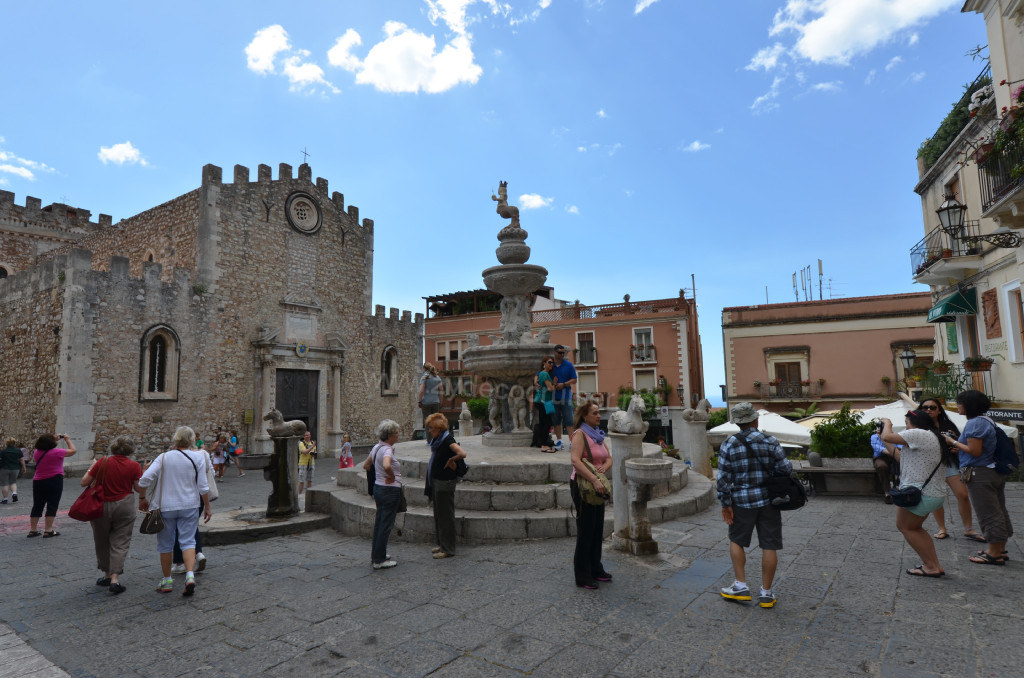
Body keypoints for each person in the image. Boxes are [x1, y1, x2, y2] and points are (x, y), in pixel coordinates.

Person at [717, 402, 790, 608]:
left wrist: (726, 504)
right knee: (769, 544)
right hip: (769, 500)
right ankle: (766, 593)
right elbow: (786, 469)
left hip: (741, 500)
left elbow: (723, 479)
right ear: (755, 420)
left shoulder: (729, 444)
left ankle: (741, 586)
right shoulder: (770, 440)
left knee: (737, 540)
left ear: (738, 423)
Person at [137, 426, 212, 596]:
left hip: (165, 507)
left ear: (175, 439)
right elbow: (203, 486)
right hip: (190, 505)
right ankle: (190, 576)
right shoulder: (198, 458)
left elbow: (144, 480)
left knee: (165, 544)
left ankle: (166, 581)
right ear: (192, 440)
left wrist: (142, 498)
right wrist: (207, 506)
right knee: (188, 541)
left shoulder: (163, 458)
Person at [944, 390, 1014, 565]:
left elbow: (975, 451)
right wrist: (960, 446)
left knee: (988, 513)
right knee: (999, 510)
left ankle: (994, 553)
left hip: (980, 473)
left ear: (968, 405)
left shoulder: (975, 423)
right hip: (991, 470)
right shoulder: (986, 421)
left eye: (959, 402)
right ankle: (1000, 549)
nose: (957, 406)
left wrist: (952, 442)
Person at [880, 411, 949, 578]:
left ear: (915, 422)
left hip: (920, 493)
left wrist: (886, 422)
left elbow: (888, 436)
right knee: (915, 528)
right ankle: (933, 565)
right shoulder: (931, 436)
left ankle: (932, 566)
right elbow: (900, 457)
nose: (906, 427)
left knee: (906, 527)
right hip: (931, 492)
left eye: (907, 423)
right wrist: (883, 437)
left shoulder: (919, 433)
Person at [82, 435, 142, 594]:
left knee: (101, 539)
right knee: (121, 541)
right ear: (130, 449)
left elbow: (84, 482)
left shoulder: (103, 462)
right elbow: (138, 488)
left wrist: (91, 467)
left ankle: (107, 575)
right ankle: (115, 578)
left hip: (101, 505)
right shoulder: (134, 465)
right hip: (124, 505)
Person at [919, 397, 980, 542]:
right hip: (930, 466)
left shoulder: (948, 425)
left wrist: (956, 448)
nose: (929, 410)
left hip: (949, 463)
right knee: (936, 497)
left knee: (963, 495)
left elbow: (960, 442)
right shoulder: (919, 425)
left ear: (939, 410)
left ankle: (968, 528)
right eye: (925, 407)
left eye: (932, 407)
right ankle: (942, 528)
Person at [569, 402, 612, 589]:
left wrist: (605, 467)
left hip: (597, 486)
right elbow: (575, 461)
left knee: (597, 529)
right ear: (585, 416)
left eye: (599, 413)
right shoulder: (580, 434)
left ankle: (596, 568)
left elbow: (609, 457)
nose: (598, 416)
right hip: (583, 485)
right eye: (594, 413)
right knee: (586, 531)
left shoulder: (599, 436)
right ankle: (583, 575)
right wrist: (594, 479)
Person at [424, 413, 467, 559]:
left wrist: (452, 460)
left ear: (439, 429)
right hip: (437, 481)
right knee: (439, 515)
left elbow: (462, 453)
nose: (429, 431)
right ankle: (442, 544)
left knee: (446, 517)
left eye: (431, 428)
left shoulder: (447, 439)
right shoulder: (437, 440)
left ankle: (448, 549)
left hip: (445, 483)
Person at [364, 420, 402, 570]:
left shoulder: (376, 447)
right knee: (386, 525)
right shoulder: (387, 450)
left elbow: (366, 465)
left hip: (378, 488)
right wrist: (391, 475)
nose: (398, 435)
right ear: (390, 435)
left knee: (380, 523)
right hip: (389, 490)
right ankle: (379, 560)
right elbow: (387, 465)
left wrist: (378, 475)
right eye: (397, 433)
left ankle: (377, 554)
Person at [171, 442, 213, 574]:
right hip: (199, 497)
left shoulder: (173, 457)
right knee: (192, 525)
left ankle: (179, 562)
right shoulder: (203, 454)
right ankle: (199, 553)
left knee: (179, 529)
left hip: (183, 498)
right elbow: (212, 473)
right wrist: (207, 506)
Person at [28, 433, 77, 537]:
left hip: (38, 481)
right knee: (52, 504)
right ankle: (48, 530)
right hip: (54, 479)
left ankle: (33, 530)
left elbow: (46, 446)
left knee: (37, 505)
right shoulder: (57, 452)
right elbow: (73, 451)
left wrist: (52, 439)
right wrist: (67, 440)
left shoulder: (37, 452)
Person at [549, 345, 578, 450]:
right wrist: (553, 383)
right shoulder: (550, 365)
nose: (562, 355)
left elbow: (574, 379)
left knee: (569, 420)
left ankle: (571, 442)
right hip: (554, 397)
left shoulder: (568, 365)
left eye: (563, 353)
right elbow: (544, 376)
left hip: (566, 396)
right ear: (554, 352)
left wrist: (564, 384)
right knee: (556, 420)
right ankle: (559, 441)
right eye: (560, 353)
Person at [531, 357, 556, 452]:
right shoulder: (545, 373)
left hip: (541, 401)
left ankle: (542, 443)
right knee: (547, 423)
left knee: (543, 422)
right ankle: (544, 444)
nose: (551, 364)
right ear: (544, 363)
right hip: (544, 401)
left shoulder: (542, 373)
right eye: (549, 362)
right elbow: (550, 389)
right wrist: (555, 384)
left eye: (552, 363)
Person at [870, 421, 899, 504]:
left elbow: (899, 446)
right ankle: (887, 492)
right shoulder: (874, 437)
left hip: (893, 456)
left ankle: (900, 488)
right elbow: (877, 447)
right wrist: (889, 451)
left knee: (902, 464)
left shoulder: (894, 436)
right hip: (881, 457)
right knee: (881, 466)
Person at [1, 437, 26, 504]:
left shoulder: (3, 451)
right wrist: (24, 468)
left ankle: (5, 499)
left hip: (4, 468)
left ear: (7, 443)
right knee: (13, 482)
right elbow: (22, 460)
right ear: (14, 443)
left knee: (5, 483)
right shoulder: (18, 451)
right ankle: (14, 493)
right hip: (15, 468)